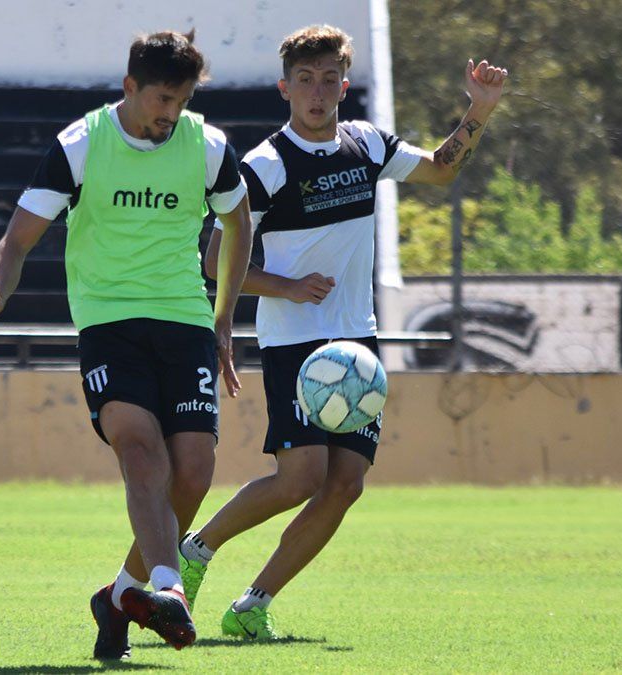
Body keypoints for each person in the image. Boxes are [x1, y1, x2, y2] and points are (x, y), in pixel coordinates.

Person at [182, 24, 508, 639]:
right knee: (300, 478)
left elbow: (440, 170)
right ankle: (195, 552)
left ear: (344, 85)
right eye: (304, 79)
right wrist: (285, 287)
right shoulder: (266, 166)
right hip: (295, 343)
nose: (317, 90)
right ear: (284, 88)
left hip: (359, 343)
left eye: (329, 78)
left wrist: (480, 109)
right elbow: (213, 259)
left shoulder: (368, 145)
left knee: (345, 485)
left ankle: (251, 608)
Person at [0, 30, 253, 658]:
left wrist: (223, 319)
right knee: (142, 452)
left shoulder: (209, 146)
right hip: (109, 322)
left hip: (185, 321)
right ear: (130, 88)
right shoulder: (82, 144)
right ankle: (168, 586)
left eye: (182, 101)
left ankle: (120, 595)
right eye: (162, 100)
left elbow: (237, 221)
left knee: (194, 472)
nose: (170, 114)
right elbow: (18, 238)